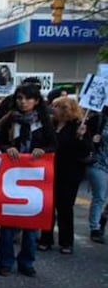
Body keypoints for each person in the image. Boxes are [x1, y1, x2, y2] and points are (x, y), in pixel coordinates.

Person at [0, 83, 57, 277]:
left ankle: (27, 262)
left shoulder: (44, 122)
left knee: (31, 224)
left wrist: (43, 150)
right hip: (12, 176)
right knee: (8, 223)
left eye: (28, 99)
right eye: (20, 98)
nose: (24, 102)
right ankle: (5, 261)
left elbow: (53, 144)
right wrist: (7, 148)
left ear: (36, 101)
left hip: (35, 179)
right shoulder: (9, 120)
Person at [38, 97, 92, 254]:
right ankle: (45, 238)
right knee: (48, 207)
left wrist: (82, 137)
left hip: (69, 173)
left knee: (65, 208)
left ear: (66, 109)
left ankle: (66, 242)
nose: (53, 109)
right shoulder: (51, 125)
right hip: (50, 171)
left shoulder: (78, 127)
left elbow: (85, 150)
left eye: (56, 107)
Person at [86, 105, 108, 243]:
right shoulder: (98, 119)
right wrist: (91, 139)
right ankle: (95, 228)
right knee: (99, 196)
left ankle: (103, 218)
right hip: (98, 163)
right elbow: (82, 138)